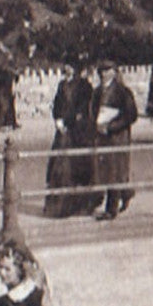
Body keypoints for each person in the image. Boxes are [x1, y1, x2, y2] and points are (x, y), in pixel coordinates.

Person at [44, 62, 99, 218]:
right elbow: (56, 105)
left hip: (78, 132)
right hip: (63, 132)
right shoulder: (62, 85)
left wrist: (67, 121)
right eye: (66, 66)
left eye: (70, 67)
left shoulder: (84, 86)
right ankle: (57, 207)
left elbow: (82, 109)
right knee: (58, 167)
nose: (66, 69)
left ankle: (80, 206)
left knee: (77, 167)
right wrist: (57, 119)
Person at [90, 61, 139, 220]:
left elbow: (131, 115)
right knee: (108, 171)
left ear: (114, 72)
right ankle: (126, 193)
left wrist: (111, 126)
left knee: (114, 171)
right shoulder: (97, 92)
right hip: (102, 136)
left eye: (107, 71)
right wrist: (96, 125)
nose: (103, 74)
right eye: (101, 71)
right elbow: (93, 111)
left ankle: (111, 210)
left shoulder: (123, 92)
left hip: (117, 137)